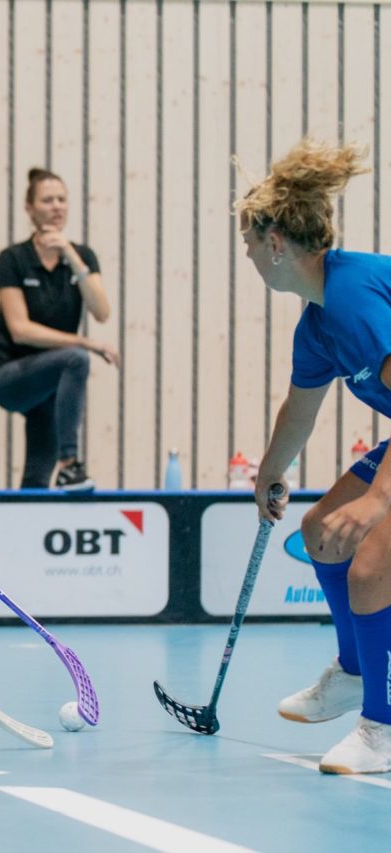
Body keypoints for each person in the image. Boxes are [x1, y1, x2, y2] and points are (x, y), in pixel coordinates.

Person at [248, 138, 391, 774]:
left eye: (250, 244)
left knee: (368, 569)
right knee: (319, 534)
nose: (248, 256)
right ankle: (356, 675)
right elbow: (299, 410)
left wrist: (380, 500)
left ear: (276, 243)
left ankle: (382, 731)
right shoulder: (318, 320)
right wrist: (270, 472)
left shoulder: (358, 297)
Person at [0, 168, 117, 491]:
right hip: (10, 375)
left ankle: (25, 531)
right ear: (30, 208)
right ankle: (71, 463)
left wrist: (70, 255)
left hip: (51, 385)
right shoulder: (14, 259)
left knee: (36, 479)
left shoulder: (82, 257)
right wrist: (85, 342)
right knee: (76, 358)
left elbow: (101, 311)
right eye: (47, 200)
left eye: (62, 199)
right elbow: (20, 330)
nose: (57, 206)